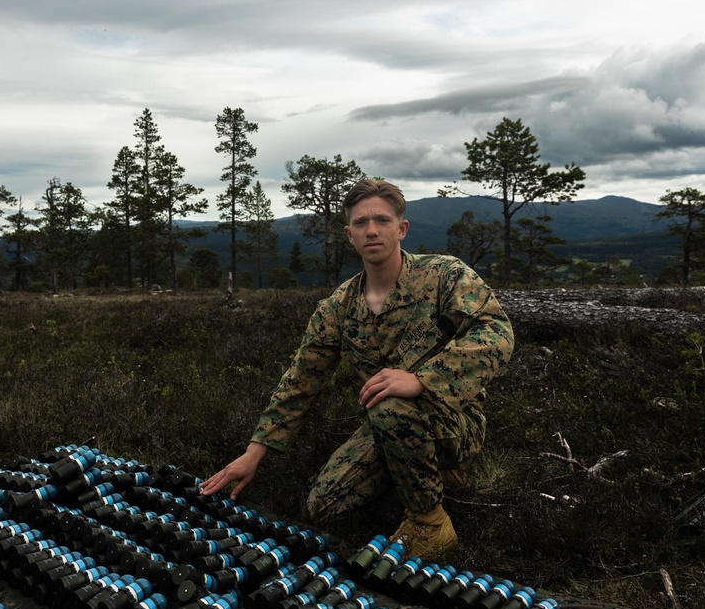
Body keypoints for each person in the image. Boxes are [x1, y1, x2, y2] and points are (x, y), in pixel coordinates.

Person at [199, 178, 514, 561]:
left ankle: (430, 522)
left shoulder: (444, 276)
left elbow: (496, 332)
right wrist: (253, 453)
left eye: (382, 220)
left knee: (390, 403)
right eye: (361, 223)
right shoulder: (338, 307)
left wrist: (422, 380)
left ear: (402, 229)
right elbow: (302, 380)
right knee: (323, 507)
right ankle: (418, 472)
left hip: (454, 423)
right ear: (349, 234)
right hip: (387, 425)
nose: (371, 230)